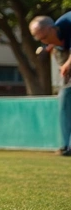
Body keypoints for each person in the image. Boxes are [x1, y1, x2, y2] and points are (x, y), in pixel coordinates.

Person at [31, 14, 71, 155]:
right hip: (64, 50)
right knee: (66, 96)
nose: (43, 42)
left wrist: (67, 64)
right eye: (40, 40)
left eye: (44, 38)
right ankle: (66, 145)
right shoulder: (54, 39)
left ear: (52, 29)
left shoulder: (69, 22)